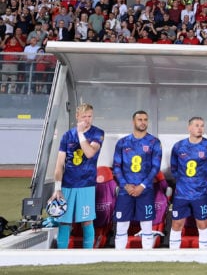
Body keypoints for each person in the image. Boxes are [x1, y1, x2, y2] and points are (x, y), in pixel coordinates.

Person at [49, 103, 104, 249]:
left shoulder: (98, 133)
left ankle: (87, 256)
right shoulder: (67, 136)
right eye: (84, 116)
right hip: (67, 185)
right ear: (77, 116)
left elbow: (90, 153)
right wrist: (57, 188)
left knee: (87, 221)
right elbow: (59, 164)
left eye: (90, 116)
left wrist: (80, 134)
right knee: (64, 221)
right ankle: (61, 255)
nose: (87, 119)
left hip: (87, 184)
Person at [112, 109, 162, 249]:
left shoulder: (154, 142)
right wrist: (125, 185)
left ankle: (146, 256)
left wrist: (142, 186)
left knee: (146, 224)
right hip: (125, 190)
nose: (143, 122)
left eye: (145, 120)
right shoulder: (122, 142)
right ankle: (119, 256)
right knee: (122, 224)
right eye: (140, 119)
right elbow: (116, 166)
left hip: (145, 190)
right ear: (133, 121)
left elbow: (155, 168)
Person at [168, 116, 207, 249]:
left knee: (202, 224)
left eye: (202, 125)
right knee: (176, 224)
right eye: (196, 125)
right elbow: (174, 168)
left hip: (200, 194)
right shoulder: (179, 146)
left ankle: (204, 255)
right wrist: (184, 181)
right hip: (181, 194)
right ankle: (173, 256)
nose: (200, 128)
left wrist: (199, 181)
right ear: (189, 128)